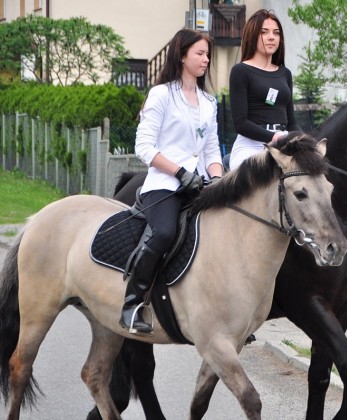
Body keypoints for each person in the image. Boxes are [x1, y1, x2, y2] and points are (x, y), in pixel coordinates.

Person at [120, 29, 224, 334]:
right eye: (200, 54)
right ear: (181, 55)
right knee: (164, 233)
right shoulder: (161, 95)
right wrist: (179, 172)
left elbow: (212, 150)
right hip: (164, 185)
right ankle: (132, 304)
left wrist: (218, 179)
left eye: (207, 55)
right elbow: (144, 147)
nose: (206, 60)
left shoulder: (208, 102)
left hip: (200, 186)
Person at [229, 9, 300, 170]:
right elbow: (240, 123)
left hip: (283, 142)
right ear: (252, 35)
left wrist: (305, 140)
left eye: (276, 33)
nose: (271, 37)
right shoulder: (240, 71)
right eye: (264, 32)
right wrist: (274, 137)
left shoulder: (285, 73)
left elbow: (292, 122)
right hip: (250, 146)